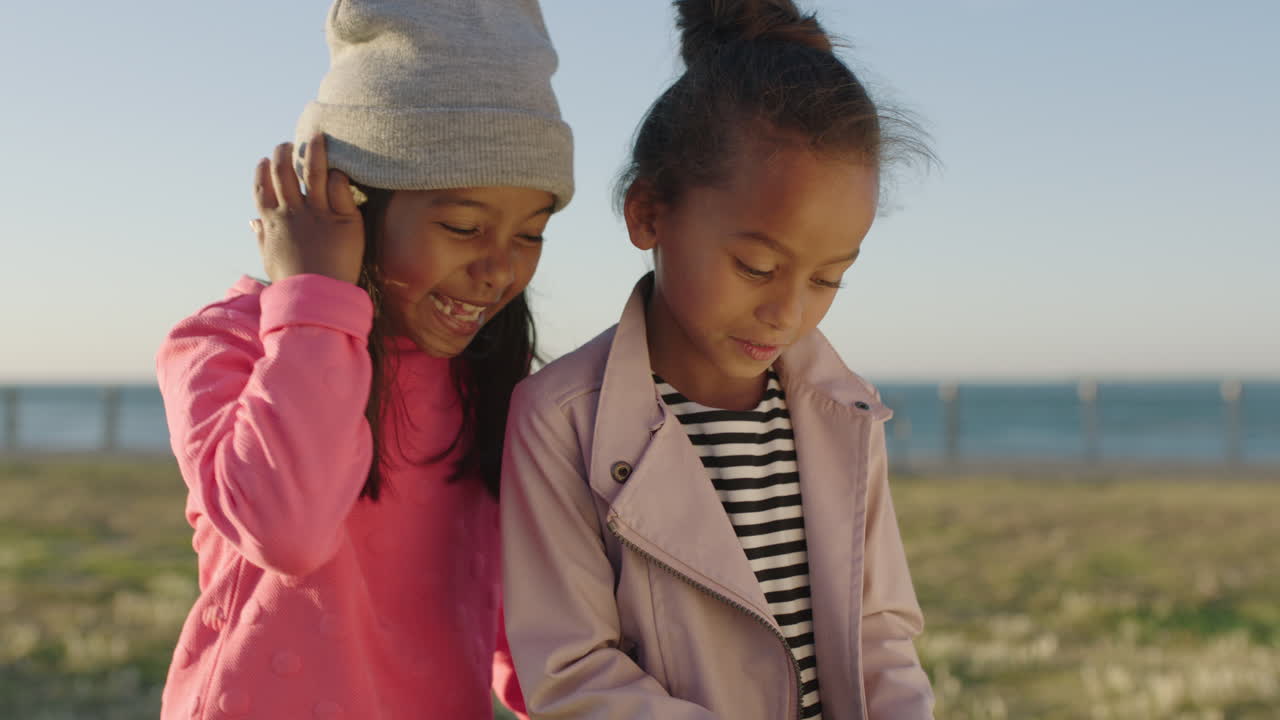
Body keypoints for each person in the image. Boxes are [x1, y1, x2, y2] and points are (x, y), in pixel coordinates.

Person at [499, 0, 933, 718]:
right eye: (757, 267)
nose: (787, 312)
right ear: (649, 213)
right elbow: (575, 674)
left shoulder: (847, 410)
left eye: (828, 278)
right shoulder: (559, 421)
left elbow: (881, 633)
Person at [155, 1, 572, 717]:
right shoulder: (227, 343)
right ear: (348, 204)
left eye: (530, 234)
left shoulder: (493, 376)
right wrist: (315, 296)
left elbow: (527, 626)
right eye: (463, 226)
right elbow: (287, 530)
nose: (500, 269)